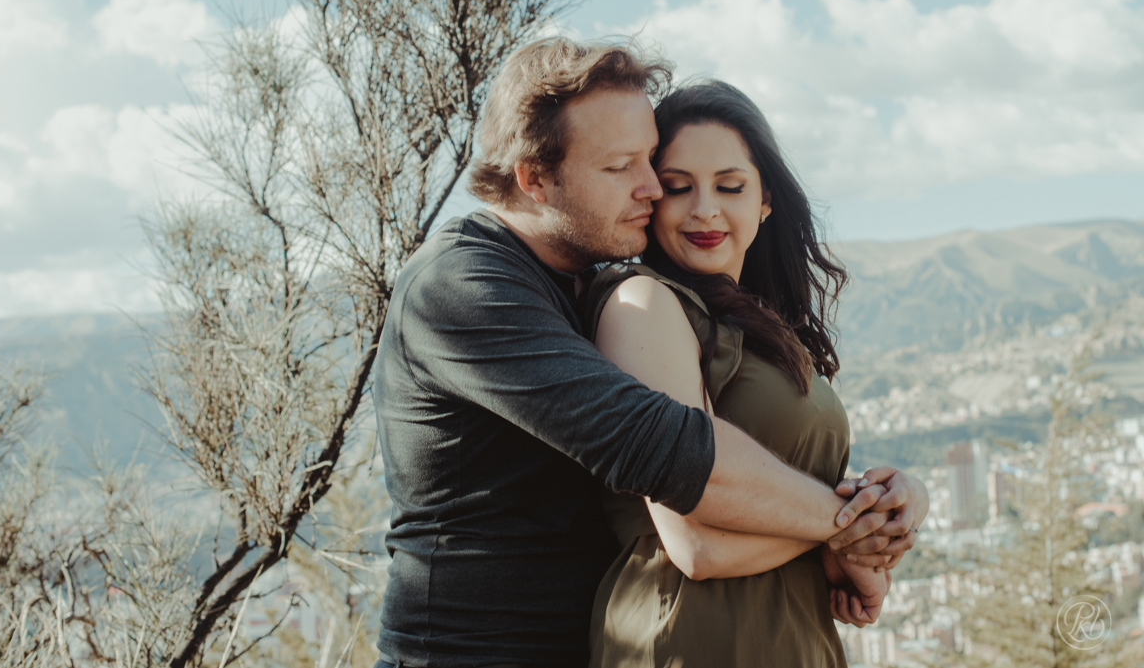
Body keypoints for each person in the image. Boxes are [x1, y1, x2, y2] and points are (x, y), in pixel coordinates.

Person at [371, 38, 909, 668]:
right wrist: (857, 524)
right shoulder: (461, 288)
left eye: (651, 161)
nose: (653, 189)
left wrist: (885, 506)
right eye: (621, 167)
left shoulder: (578, 281)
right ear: (535, 178)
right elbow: (664, 447)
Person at [584, 80, 930, 667]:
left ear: (765, 199)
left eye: (730, 186)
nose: (704, 209)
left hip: (793, 642)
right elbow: (695, 545)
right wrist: (847, 532)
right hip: (687, 643)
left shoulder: (762, 326)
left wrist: (900, 498)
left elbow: (789, 498)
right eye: (678, 187)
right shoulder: (642, 304)